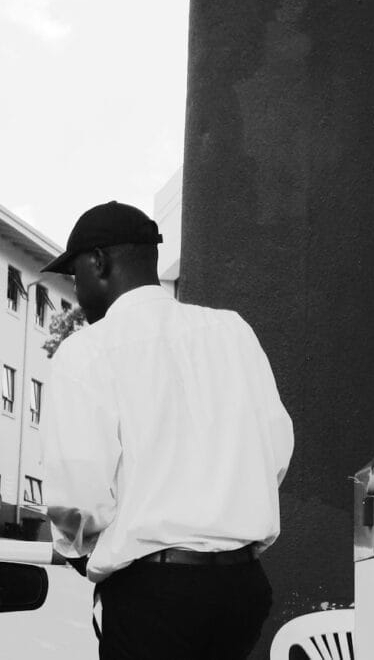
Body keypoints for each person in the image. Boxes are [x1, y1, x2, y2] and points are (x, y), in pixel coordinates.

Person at [40, 201, 295, 659]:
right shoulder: (232, 331)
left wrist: (80, 550)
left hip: (155, 589)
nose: (75, 289)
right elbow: (275, 448)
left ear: (98, 261)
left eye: (74, 274)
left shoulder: (88, 351)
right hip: (242, 587)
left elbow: (79, 488)